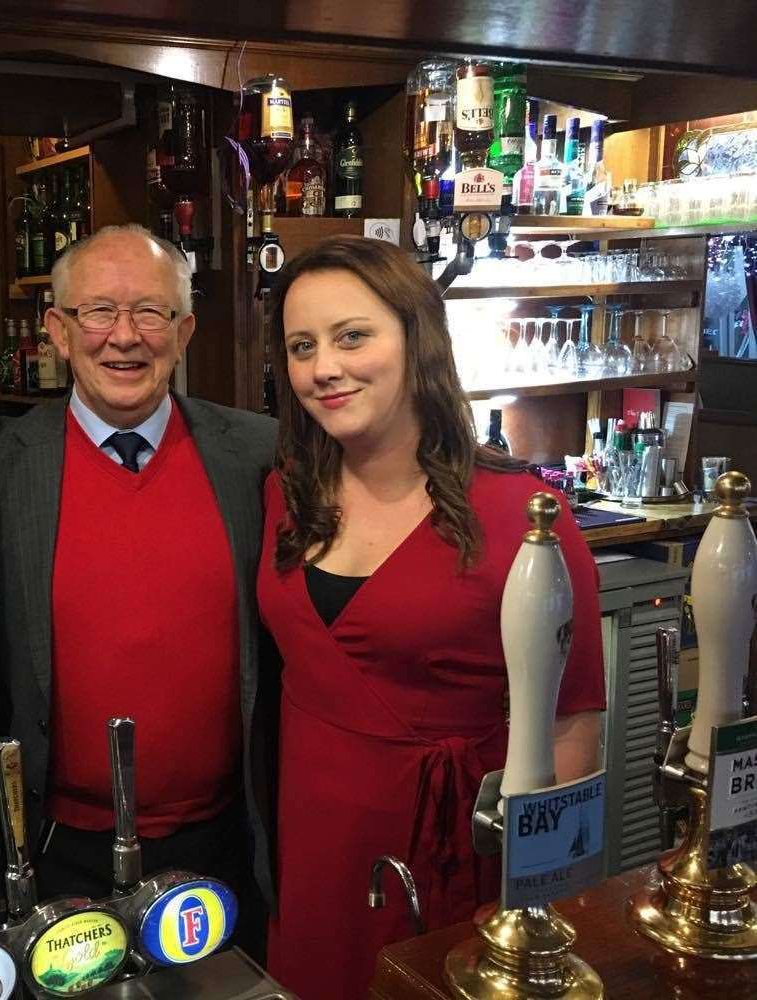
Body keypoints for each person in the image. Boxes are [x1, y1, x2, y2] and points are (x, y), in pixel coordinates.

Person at [258, 236, 605, 997]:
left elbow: (576, 717)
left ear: (418, 341)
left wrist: (534, 893)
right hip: (311, 843)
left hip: (455, 855)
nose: (325, 368)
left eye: (354, 336)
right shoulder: (282, 495)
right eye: (302, 346)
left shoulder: (524, 516)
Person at [0, 225, 278, 944]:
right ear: (58, 331)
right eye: (98, 312)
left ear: (183, 331)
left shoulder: (258, 455)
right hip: (62, 851)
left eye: (150, 313)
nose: (125, 336)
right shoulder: (1, 471)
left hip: (226, 841)